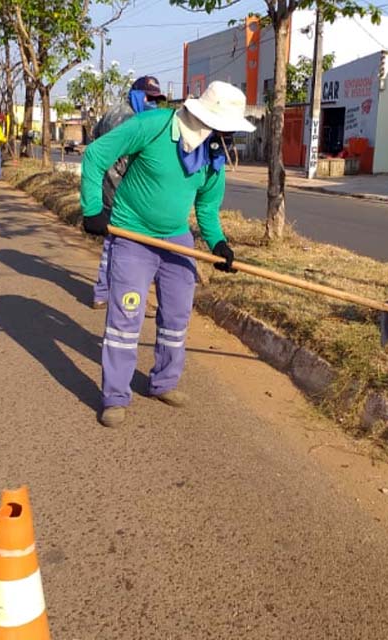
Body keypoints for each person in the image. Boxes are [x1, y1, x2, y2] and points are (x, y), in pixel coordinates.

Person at [81, 81, 256, 428]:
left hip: (177, 241)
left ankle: (163, 381)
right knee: (125, 320)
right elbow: (95, 155)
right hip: (132, 236)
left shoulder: (213, 154)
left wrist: (219, 244)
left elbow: (206, 207)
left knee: (176, 318)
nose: (228, 135)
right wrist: (92, 208)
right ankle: (115, 396)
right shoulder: (153, 125)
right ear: (204, 117)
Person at [91, 75, 167, 310]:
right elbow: (127, 160)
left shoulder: (110, 113)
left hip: (107, 186)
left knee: (112, 241)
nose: (152, 104)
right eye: (149, 98)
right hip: (123, 190)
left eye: (156, 100)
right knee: (129, 246)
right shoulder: (129, 119)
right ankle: (128, 297)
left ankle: (102, 292)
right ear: (136, 94)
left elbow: (95, 135)